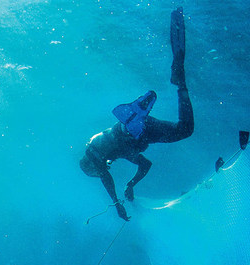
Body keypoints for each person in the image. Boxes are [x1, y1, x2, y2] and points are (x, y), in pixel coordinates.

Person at [80, 7, 193, 221]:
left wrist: (116, 204)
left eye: (97, 171)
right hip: (136, 131)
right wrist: (131, 184)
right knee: (182, 130)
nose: (104, 170)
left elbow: (105, 177)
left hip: (135, 133)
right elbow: (146, 164)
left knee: (185, 130)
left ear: (91, 167)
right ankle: (135, 117)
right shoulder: (109, 152)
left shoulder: (96, 156)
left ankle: (178, 85)